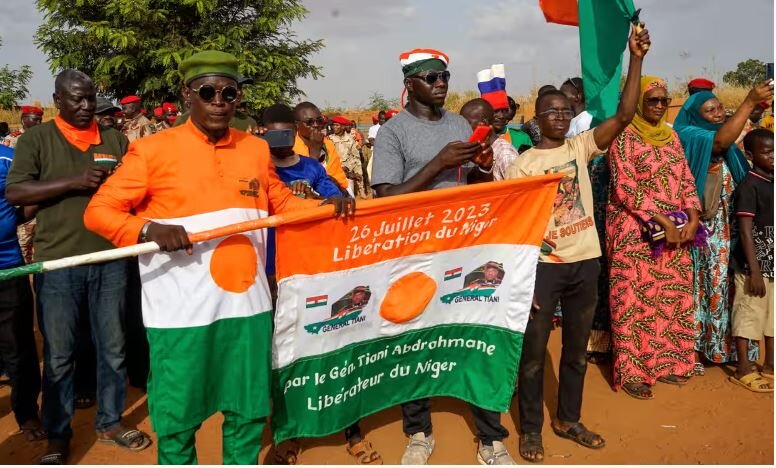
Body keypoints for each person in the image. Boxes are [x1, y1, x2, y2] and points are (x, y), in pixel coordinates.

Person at [84, 51, 354, 465]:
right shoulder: (151, 150)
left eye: (229, 93)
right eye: (207, 92)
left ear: (238, 98)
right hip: (180, 316)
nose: (218, 101)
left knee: (248, 413)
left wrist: (326, 206)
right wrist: (149, 230)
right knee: (177, 420)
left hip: (247, 310)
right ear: (187, 94)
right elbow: (99, 212)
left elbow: (281, 204)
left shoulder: (255, 150)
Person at [506, 26, 650, 462]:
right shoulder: (522, 166)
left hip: (586, 262)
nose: (559, 115)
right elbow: (513, 228)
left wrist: (636, 58)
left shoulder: (581, 146)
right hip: (542, 269)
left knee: (576, 353)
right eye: (551, 111)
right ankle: (531, 429)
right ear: (536, 119)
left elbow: (624, 114)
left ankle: (568, 420)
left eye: (565, 110)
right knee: (533, 356)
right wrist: (521, 280)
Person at [372, 48, 513, 466]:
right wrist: (438, 164)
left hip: (464, 247)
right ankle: (419, 432)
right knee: (414, 338)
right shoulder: (393, 133)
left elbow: (475, 184)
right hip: (415, 250)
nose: (440, 83)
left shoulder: (459, 124)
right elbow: (386, 198)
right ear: (409, 83)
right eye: (431, 77)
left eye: (444, 76)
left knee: (475, 335)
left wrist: (483, 167)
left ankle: (490, 437)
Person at [5, 69, 151, 464]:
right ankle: (58, 434)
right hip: (59, 261)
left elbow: (137, 189)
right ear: (58, 101)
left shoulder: (115, 139)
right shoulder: (37, 139)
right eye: (76, 99)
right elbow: (16, 191)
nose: (86, 106)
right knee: (59, 354)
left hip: (110, 259)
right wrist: (73, 181)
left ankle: (110, 422)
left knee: (114, 348)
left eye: (90, 98)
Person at [607, 76, 702, 400]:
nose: (660, 106)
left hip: (675, 230)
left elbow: (686, 178)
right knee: (633, 302)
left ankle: (668, 363)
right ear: (638, 103)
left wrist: (693, 216)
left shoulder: (671, 137)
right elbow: (625, 187)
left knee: (670, 298)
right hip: (635, 231)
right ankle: (633, 371)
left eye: (664, 100)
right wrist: (662, 219)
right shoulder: (623, 137)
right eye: (653, 100)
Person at [674, 80, 773, 372]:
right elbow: (719, 142)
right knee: (708, 285)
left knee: (737, 288)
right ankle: (701, 349)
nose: (718, 114)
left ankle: (732, 348)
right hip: (708, 231)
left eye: (719, 108)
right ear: (696, 115)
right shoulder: (689, 133)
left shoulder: (728, 143)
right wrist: (749, 101)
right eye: (710, 110)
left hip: (735, 230)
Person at [0, 144, 45, 442]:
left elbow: (33, 192)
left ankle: (27, 413)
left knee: (18, 346)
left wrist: (9, 222)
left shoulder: (7, 158)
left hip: (7, 269)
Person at [729, 128, 774, 392]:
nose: (773, 156)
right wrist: (754, 270)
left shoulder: (772, 182)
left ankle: (769, 364)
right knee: (748, 312)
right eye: (767, 152)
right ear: (750, 155)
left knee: (772, 316)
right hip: (753, 266)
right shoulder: (749, 186)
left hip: (773, 263)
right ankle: (743, 367)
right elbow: (746, 232)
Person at [293, 102, 349, 191]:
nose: (316, 125)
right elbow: (302, 184)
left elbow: (339, 181)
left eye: (319, 121)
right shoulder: (290, 148)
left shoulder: (328, 144)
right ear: (296, 124)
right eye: (309, 122)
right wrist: (315, 152)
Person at [460, 98, 519, 181]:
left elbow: (517, 188)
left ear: (483, 124)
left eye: (465, 123)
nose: (461, 128)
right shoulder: (476, 149)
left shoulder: (505, 154)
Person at [330, 116, 366, 198]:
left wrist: (357, 170)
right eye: (333, 125)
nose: (334, 127)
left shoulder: (350, 139)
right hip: (336, 168)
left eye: (337, 125)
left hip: (349, 168)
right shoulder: (330, 139)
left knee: (350, 192)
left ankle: (361, 191)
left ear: (343, 127)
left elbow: (356, 156)